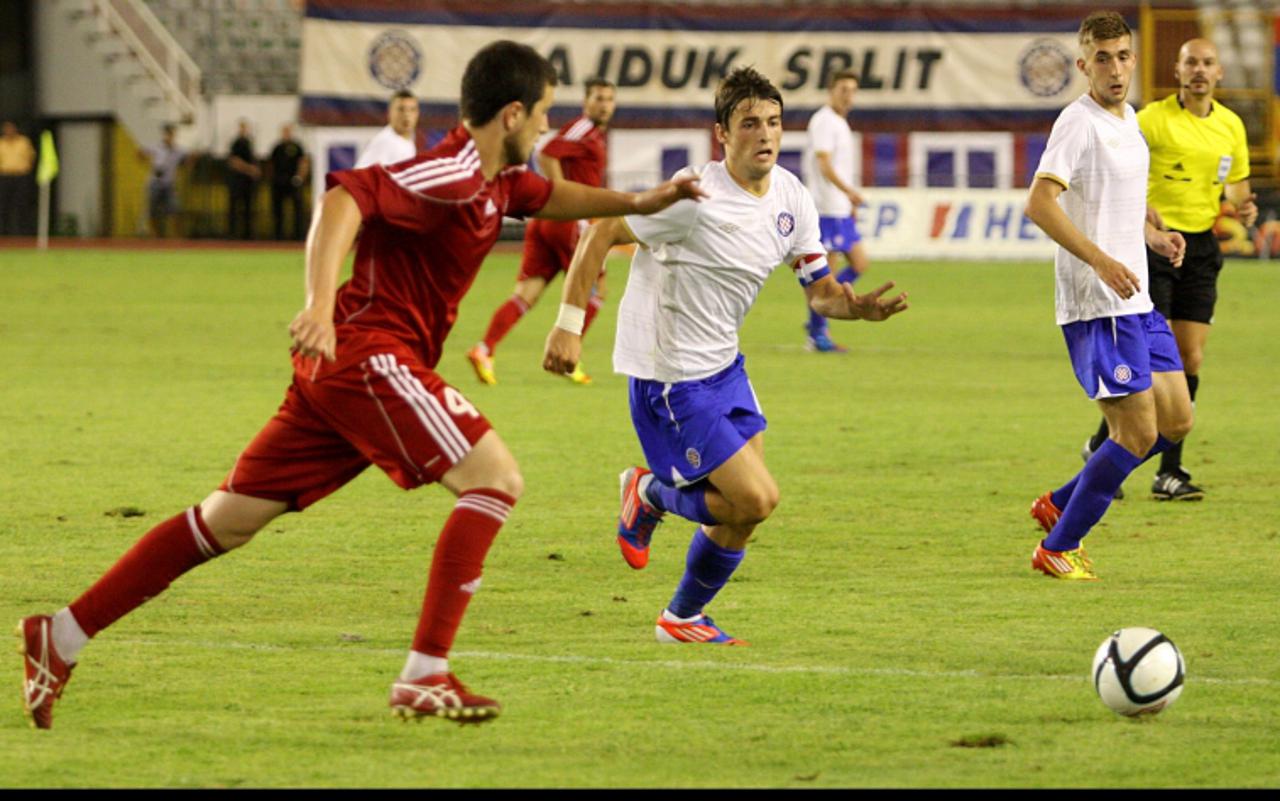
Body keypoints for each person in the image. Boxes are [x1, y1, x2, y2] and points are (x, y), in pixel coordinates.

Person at [16, 40, 703, 730]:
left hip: (342, 374)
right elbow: (343, 201)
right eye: (545, 115)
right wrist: (317, 303)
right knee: (494, 477)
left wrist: (644, 199)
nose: (549, 131)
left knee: (226, 521)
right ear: (513, 113)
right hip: (369, 357)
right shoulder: (454, 174)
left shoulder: (498, 180)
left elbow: (555, 197)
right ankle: (425, 673)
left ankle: (62, 635)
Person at [542, 67, 907, 644]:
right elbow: (602, 230)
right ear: (722, 133)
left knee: (744, 513)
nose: (764, 134)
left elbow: (820, 290)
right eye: (749, 123)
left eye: (773, 122)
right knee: (757, 497)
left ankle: (681, 617)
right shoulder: (693, 195)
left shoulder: (791, 195)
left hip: (724, 368)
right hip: (671, 375)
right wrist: (568, 325)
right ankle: (649, 492)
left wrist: (853, 307)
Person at [1024, 11, 1191, 581]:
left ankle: (1058, 502)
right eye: (1102, 58)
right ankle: (1057, 546)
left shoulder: (1130, 119)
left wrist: (1153, 234)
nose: (1115, 69)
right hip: (1098, 303)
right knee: (1136, 433)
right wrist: (1100, 260)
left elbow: (1120, 199)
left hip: (1136, 300)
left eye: (1123, 56)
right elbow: (1040, 203)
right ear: (1082, 64)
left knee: (1177, 419)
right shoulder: (1078, 122)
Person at [1079, 37, 1255, 501]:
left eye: (1207, 63)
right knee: (1154, 361)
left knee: (1189, 358)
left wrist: (1245, 206)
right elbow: (1125, 173)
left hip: (1199, 246)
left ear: (1219, 73)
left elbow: (1235, 183)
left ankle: (1118, 455)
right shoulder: (1152, 120)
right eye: (1190, 62)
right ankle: (1153, 467)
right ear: (1176, 70)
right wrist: (1146, 215)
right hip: (1151, 245)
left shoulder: (1231, 126)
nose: (1199, 70)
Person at [469, 78, 617, 386]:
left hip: (545, 221)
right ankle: (567, 356)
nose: (604, 104)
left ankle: (484, 349)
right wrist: (562, 194)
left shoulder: (593, 135)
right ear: (586, 102)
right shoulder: (583, 129)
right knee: (596, 291)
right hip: (567, 220)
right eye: (598, 98)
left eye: (608, 99)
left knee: (527, 293)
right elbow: (547, 153)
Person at [801, 70, 868, 354]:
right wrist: (847, 191)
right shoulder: (824, 121)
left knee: (860, 263)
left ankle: (817, 312)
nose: (848, 95)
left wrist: (849, 199)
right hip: (825, 207)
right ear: (831, 90)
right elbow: (824, 165)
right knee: (826, 276)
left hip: (839, 207)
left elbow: (839, 167)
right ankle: (818, 332)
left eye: (852, 89)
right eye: (843, 89)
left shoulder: (840, 122)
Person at [139, 124, 186, 238]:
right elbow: (140, 153)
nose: (169, 137)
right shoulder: (156, 147)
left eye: (171, 134)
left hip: (169, 184)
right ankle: (155, 235)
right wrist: (150, 165)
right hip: (155, 182)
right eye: (167, 134)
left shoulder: (178, 151)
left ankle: (177, 236)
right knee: (152, 210)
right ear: (164, 135)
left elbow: (185, 162)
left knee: (176, 209)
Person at [356, 89, 419, 168]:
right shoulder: (385, 142)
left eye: (412, 110)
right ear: (390, 113)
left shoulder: (408, 139)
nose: (407, 115)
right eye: (401, 109)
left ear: (417, 113)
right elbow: (361, 174)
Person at [268, 124, 310, 241]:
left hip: (293, 182)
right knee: (278, 210)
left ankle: (298, 235)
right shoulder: (277, 147)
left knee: (297, 209)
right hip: (279, 182)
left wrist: (300, 177)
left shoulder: (297, 147)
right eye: (284, 131)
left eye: (288, 131)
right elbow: (271, 164)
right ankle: (278, 235)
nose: (286, 134)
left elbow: (304, 162)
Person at [0, 120, 36, 236]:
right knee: (3, 206)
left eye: (11, 128)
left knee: (22, 205)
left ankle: (23, 234)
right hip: (5, 177)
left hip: (21, 177)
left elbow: (31, 157)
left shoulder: (24, 142)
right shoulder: (1, 143)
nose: (9, 131)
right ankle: (4, 233)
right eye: (6, 128)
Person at [227, 120, 260, 239]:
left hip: (248, 182)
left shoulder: (249, 143)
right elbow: (234, 161)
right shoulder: (236, 143)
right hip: (237, 181)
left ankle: (248, 235)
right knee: (234, 208)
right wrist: (250, 169)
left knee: (248, 209)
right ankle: (232, 234)